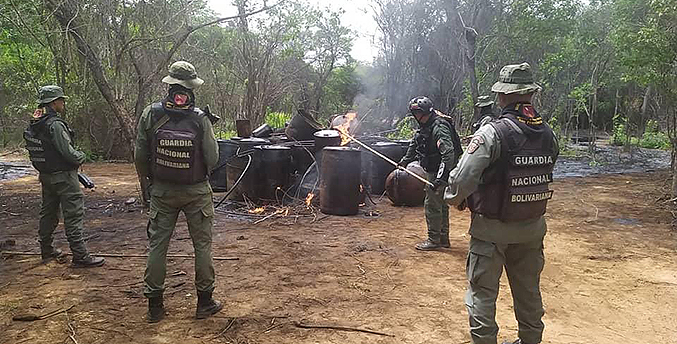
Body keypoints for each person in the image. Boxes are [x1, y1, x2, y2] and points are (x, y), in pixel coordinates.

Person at [444, 62, 559, 344]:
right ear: (531, 95)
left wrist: (455, 199)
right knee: (529, 291)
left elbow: (463, 176)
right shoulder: (548, 134)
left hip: (491, 231)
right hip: (532, 229)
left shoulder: (492, 133)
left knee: (482, 294)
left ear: (501, 96)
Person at [134, 61, 221, 323]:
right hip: (196, 192)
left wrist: (148, 183)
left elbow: (139, 155)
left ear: (170, 84)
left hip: (162, 191)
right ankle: (204, 302)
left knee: (158, 245)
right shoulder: (200, 118)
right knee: (202, 246)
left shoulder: (151, 114)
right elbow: (213, 158)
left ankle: (155, 307)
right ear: (191, 88)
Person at [23, 85, 105, 268]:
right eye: (61, 100)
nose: (63, 102)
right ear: (53, 102)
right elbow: (68, 153)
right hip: (64, 178)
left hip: (46, 176)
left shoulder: (36, 122)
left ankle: (46, 249)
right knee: (73, 215)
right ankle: (80, 256)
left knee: (48, 213)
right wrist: (82, 156)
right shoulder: (55, 124)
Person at [398, 96, 462, 251]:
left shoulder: (439, 126)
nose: (415, 116)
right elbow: (415, 142)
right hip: (434, 168)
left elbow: (448, 154)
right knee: (440, 203)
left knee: (432, 204)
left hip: (441, 168)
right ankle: (442, 238)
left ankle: (434, 239)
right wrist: (405, 160)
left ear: (424, 112)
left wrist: (440, 178)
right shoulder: (424, 124)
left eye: (416, 113)